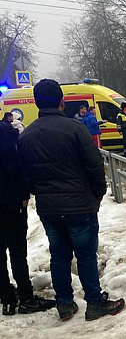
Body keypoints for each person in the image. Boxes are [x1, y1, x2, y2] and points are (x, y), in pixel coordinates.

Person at [18, 79, 125, 322]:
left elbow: (24, 176)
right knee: (86, 254)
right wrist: (99, 192)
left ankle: (64, 304)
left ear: (36, 103)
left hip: (49, 208)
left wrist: (40, 192)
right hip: (79, 204)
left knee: (59, 254)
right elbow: (94, 164)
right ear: (61, 102)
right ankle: (95, 302)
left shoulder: (26, 136)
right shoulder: (75, 129)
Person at [0, 111, 56, 315]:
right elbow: (14, 166)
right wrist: (24, 192)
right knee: (17, 251)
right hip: (9, 201)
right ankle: (25, 297)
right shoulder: (5, 132)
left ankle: (6, 298)